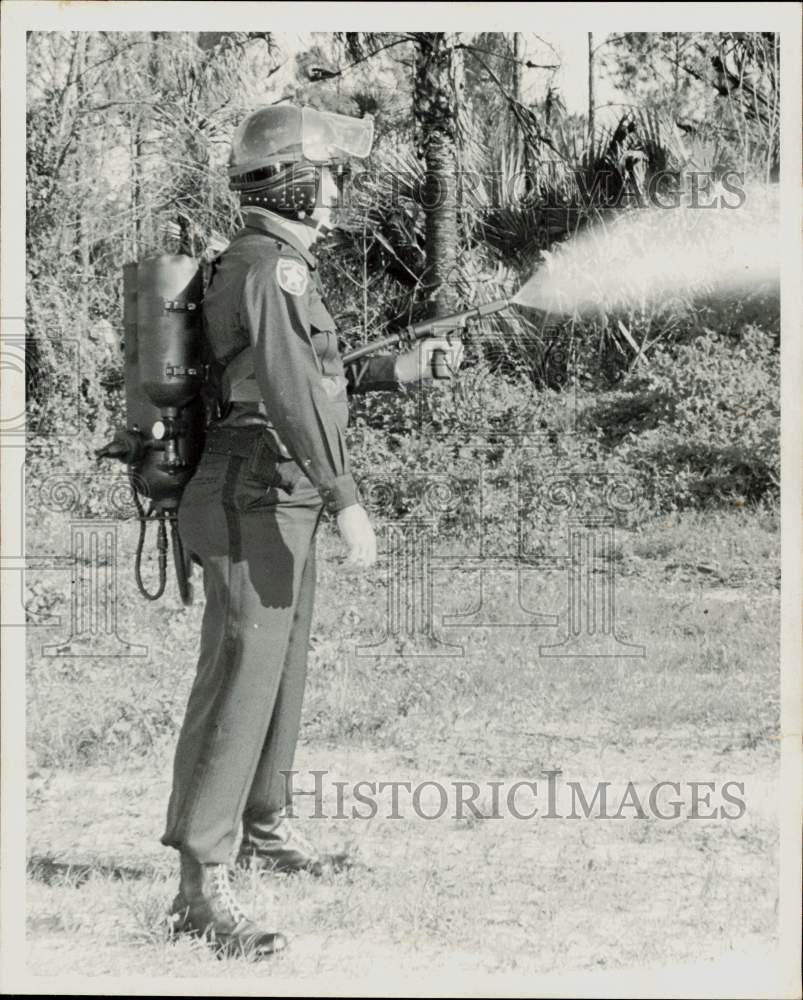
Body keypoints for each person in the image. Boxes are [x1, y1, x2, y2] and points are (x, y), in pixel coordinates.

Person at [161, 104, 462, 959]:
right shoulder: (269, 268)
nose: (337, 192)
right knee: (240, 675)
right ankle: (199, 882)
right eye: (329, 175)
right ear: (291, 181)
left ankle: (261, 828)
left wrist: (403, 367)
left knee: (279, 671)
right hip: (253, 489)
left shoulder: (274, 266)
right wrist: (347, 494)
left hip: (274, 491)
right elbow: (288, 394)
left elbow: (308, 375)